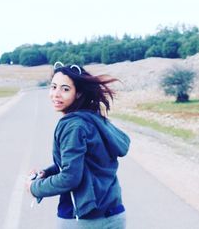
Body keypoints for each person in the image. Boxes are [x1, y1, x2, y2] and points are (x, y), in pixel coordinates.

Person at [25, 62, 130, 229]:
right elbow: (85, 162)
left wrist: (35, 188)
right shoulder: (95, 119)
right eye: (53, 87)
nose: (56, 94)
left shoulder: (73, 126)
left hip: (82, 219)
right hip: (115, 215)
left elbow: (70, 178)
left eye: (65, 89)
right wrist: (48, 172)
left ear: (79, 93)